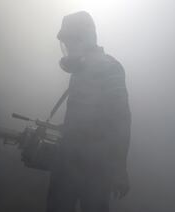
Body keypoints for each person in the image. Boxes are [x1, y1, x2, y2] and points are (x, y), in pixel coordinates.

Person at [47, 11, 131, 212]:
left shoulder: (110, 68)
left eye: (71, 41)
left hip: (96, 166)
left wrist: (120, 168)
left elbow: (121, 120)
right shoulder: (80, 71)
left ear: (84, 38)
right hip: (68, 163)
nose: (67, 47)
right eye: (66, 42)